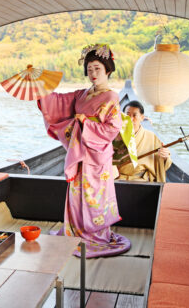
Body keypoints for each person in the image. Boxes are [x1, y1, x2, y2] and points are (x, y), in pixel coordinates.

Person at [37, 43, 130, 258]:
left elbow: (112, 129)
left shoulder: (111, 97)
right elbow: (59, 102)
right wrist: (41, 89)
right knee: (77, 194)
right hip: (79, 153)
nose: (93, 73)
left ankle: (95, 234)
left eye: (97, 68)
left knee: (95, 196)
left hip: (97, 155)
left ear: (108, 69)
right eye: (89, 69)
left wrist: (85, 123)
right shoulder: (83, 94)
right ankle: (76, 230)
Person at [117, 100, 171, 182]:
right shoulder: (114, 135)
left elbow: (162, 162)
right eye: (127, 115)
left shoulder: (151, 137)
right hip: (117, 179)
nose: (130, 119)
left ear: (142, 118)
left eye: (134, 115)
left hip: (141, 180)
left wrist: (165, 157)